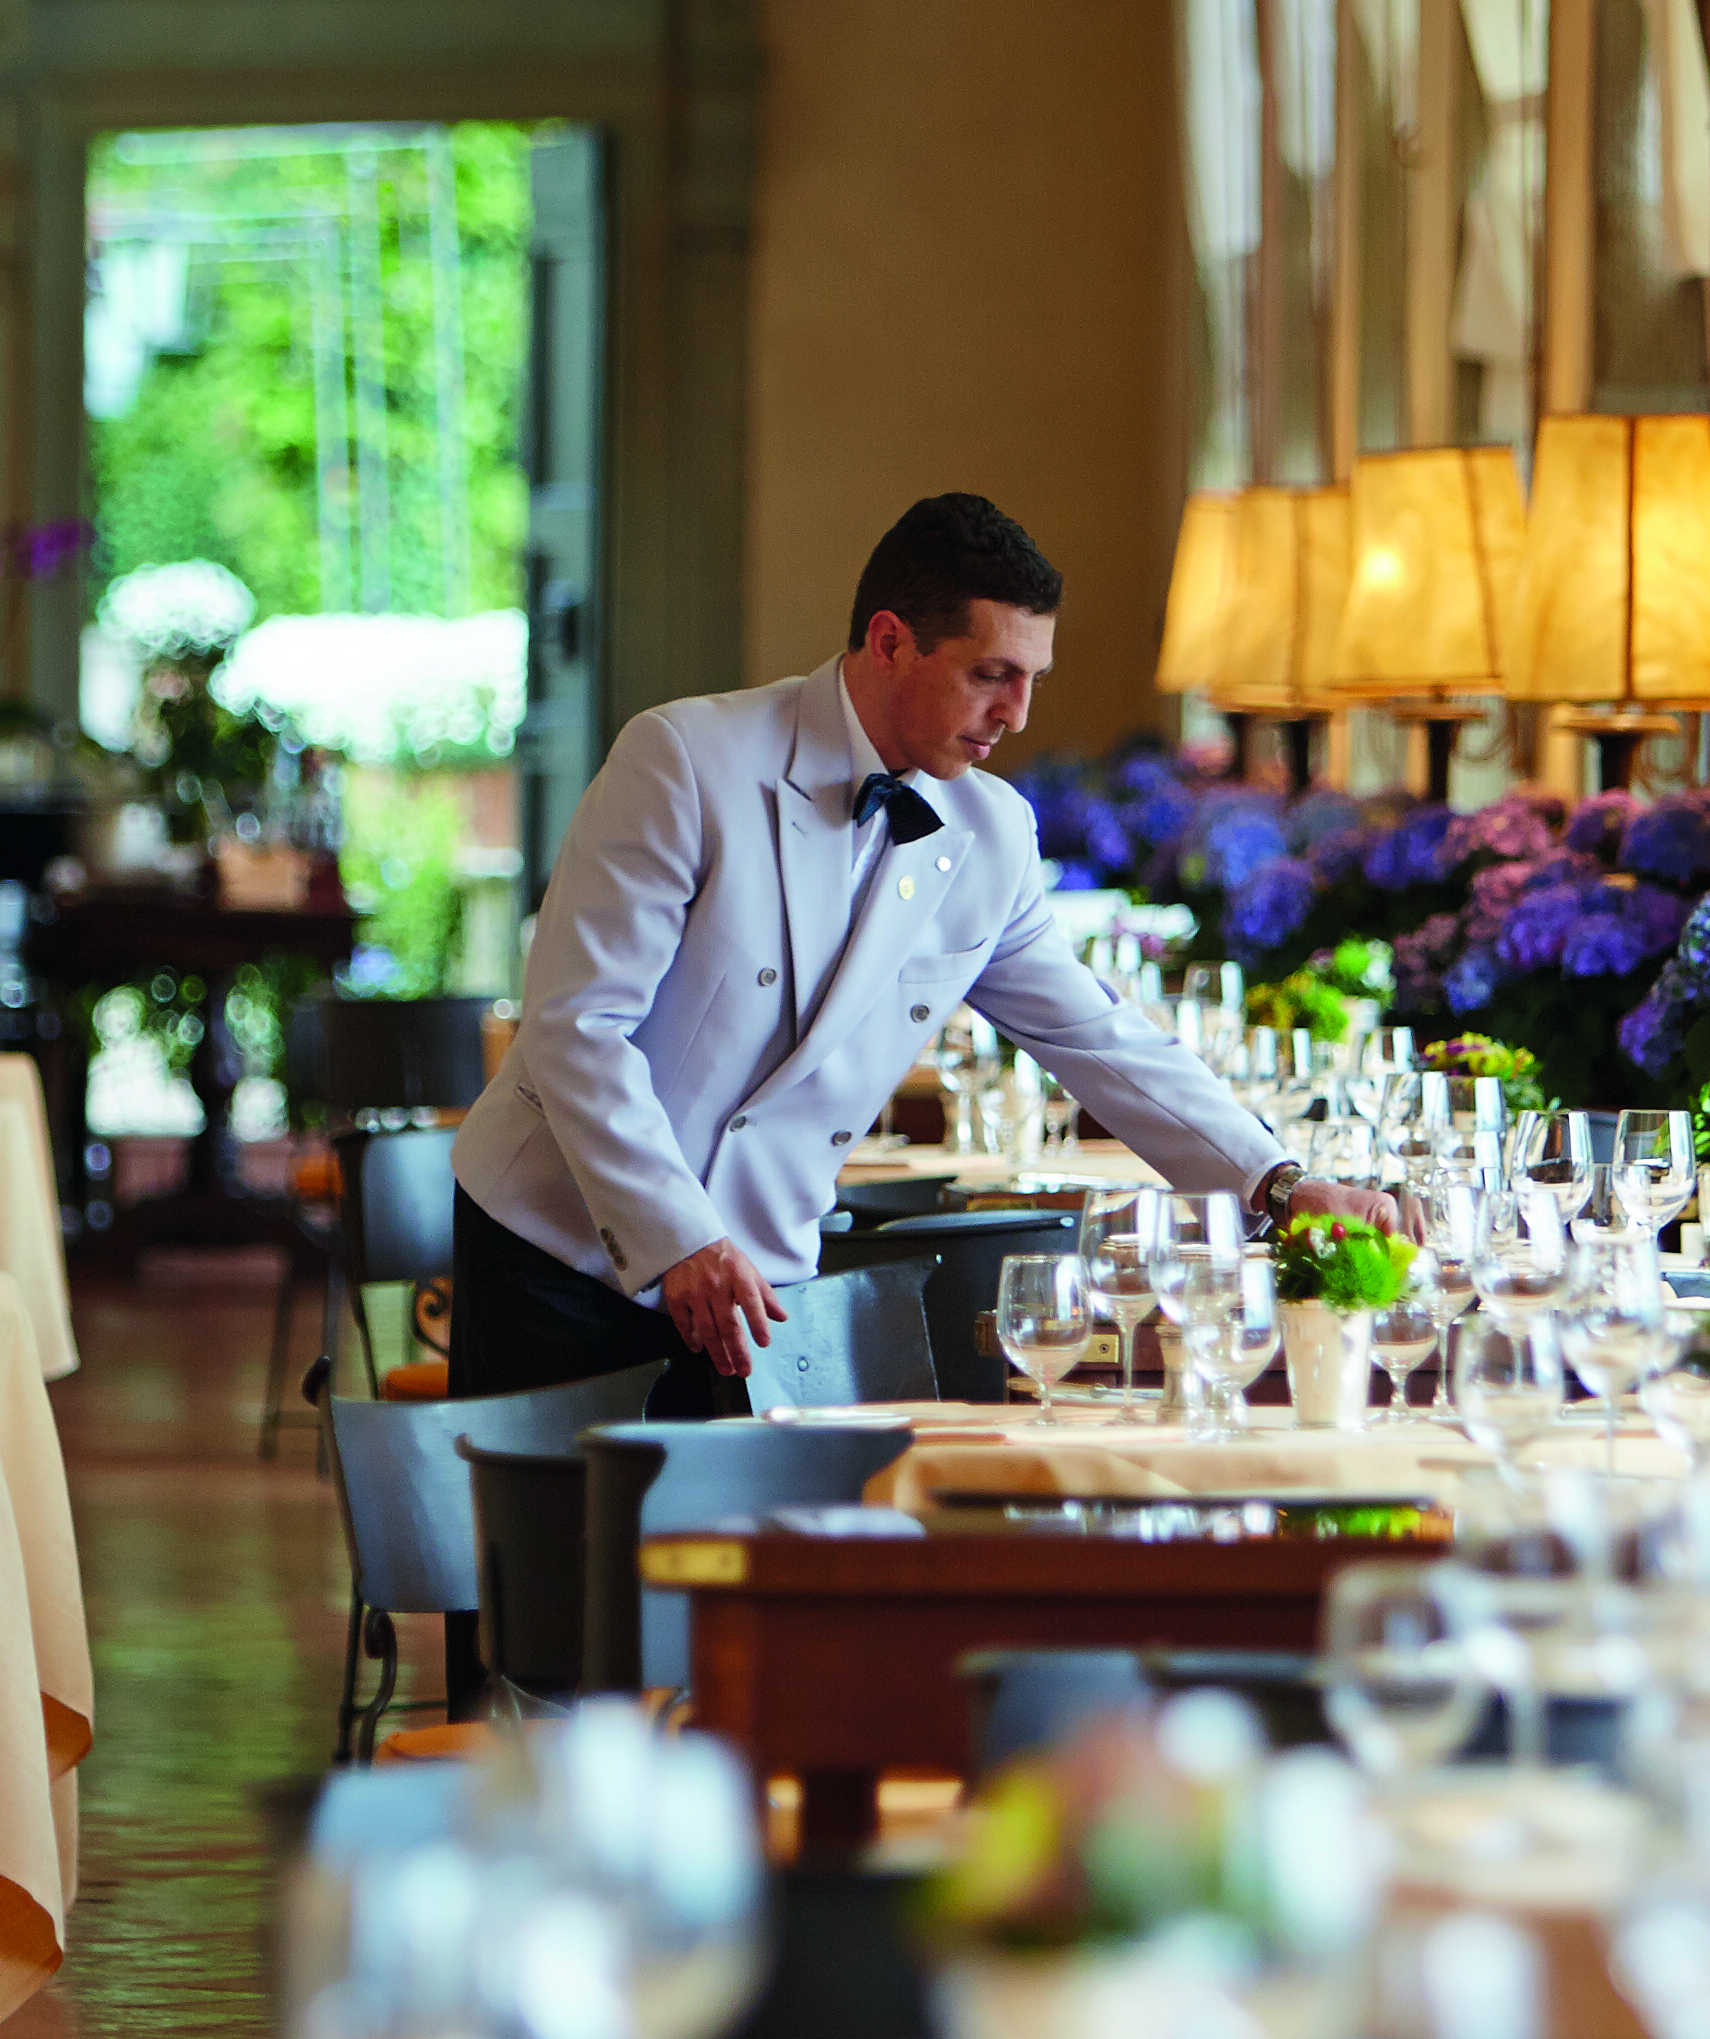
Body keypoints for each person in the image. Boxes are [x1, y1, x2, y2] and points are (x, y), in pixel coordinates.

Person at [449, 493, 1399, 1411]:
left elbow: (1101, 1039)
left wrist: (1279, 1183)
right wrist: (676, 1237)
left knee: (747, 1564)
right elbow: (580, 1026)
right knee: (554, 1567)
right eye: (991, 675)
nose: (1019, 714)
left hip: (762, 1277)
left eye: (1034, 679)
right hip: (561, 1249)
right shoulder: (684, 760)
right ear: (891, 639)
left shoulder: (990, 832)